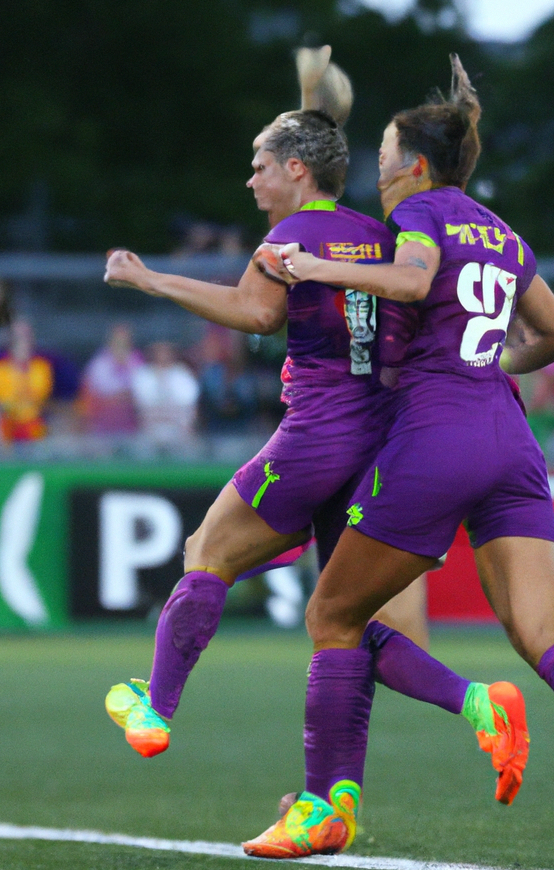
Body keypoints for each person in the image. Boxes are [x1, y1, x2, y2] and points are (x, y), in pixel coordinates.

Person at [247, 56, 554, 863]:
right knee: (543, 635)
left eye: (379, 161)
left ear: (415, 166)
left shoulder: (421, 216)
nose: (375, 175)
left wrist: (311, 263)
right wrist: (487, 371)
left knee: (333, 617)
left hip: (434, 439)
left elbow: (410, 282)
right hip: (509, 439)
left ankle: (320, 807)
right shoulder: (503, 232)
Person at [102, 46, 433, 758]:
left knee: (206, 551)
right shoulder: (381, 237)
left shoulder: (291, 235)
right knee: (338, 620)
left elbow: (257, 314)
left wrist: (151, 280)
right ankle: (466, 710)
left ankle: (156, 711)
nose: (249, 177)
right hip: (375, 444)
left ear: (296, 170)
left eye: (260, 164)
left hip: (314, 439)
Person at [0, 318, 53, 443]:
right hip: (5, 423)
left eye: (26, 337)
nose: (22, 342)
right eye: (17, 338)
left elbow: (40, 397)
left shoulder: (42, 368)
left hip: (34, 423)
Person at [79, 322, 142, 435]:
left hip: (132, 417)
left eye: (124, 341)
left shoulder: (137, 361)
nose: (121, 345)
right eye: (117, 341)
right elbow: (98, 392)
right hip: (104, 416)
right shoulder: (99, 363)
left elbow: (141, 389)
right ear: (110, 342)